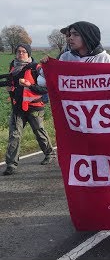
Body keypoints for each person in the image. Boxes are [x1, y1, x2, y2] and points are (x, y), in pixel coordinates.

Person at [1, 43, 56, 176]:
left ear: (29, 53)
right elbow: (13, 84)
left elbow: (45, 89)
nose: (20, 54)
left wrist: (30, 85)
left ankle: (49, 153)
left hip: (35, 107)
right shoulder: (13, 66)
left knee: (39, 131)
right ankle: (11, 164)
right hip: (18, 107)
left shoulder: (36, 69)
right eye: (18, 51)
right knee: (14, 135)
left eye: (24, 51)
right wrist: (10, 89)